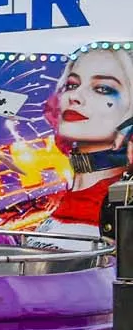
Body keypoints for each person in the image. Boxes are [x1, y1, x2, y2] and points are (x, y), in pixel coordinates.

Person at [38, 47, 133, 241]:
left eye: (102, 88)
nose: (74, 96)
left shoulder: (120, 207)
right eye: (72, 85)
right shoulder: (63, 199)